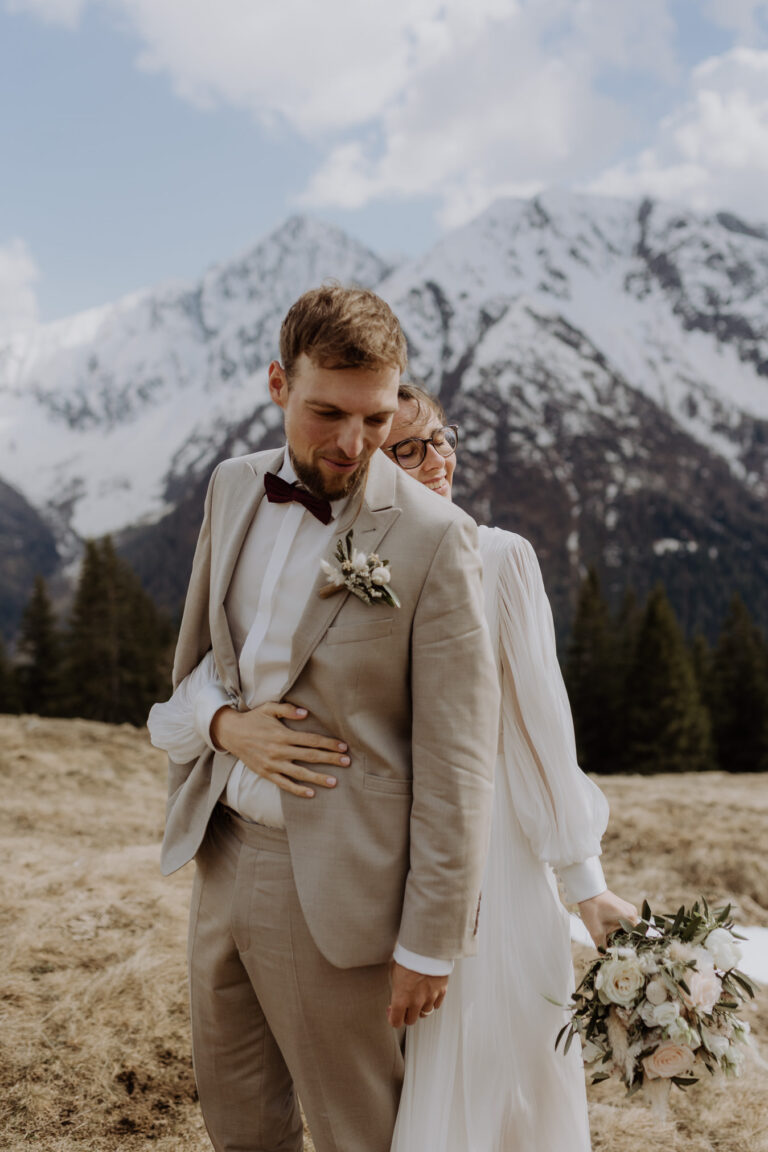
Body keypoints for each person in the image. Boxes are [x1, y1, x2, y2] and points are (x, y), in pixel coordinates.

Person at [147, 285, 501, 1152]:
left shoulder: (432, 536)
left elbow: (460, 760)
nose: (353, 445)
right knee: (239, 1125)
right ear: (278, 384)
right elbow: (197, 664)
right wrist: (226, 728)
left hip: (340, 895)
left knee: (358, 1135)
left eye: (377, 419)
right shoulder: (232, 487)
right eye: (326, 413)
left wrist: (431, 941)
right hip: (220, 851)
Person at [382, 384, 637, 1152]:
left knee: (507, 1068)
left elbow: (540, 733)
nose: (440, 458)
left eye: (443, 437)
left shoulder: (501, 558)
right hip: (395, 862)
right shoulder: (353, 565)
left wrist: (586, 887)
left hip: (499, 863)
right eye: (411, 447)